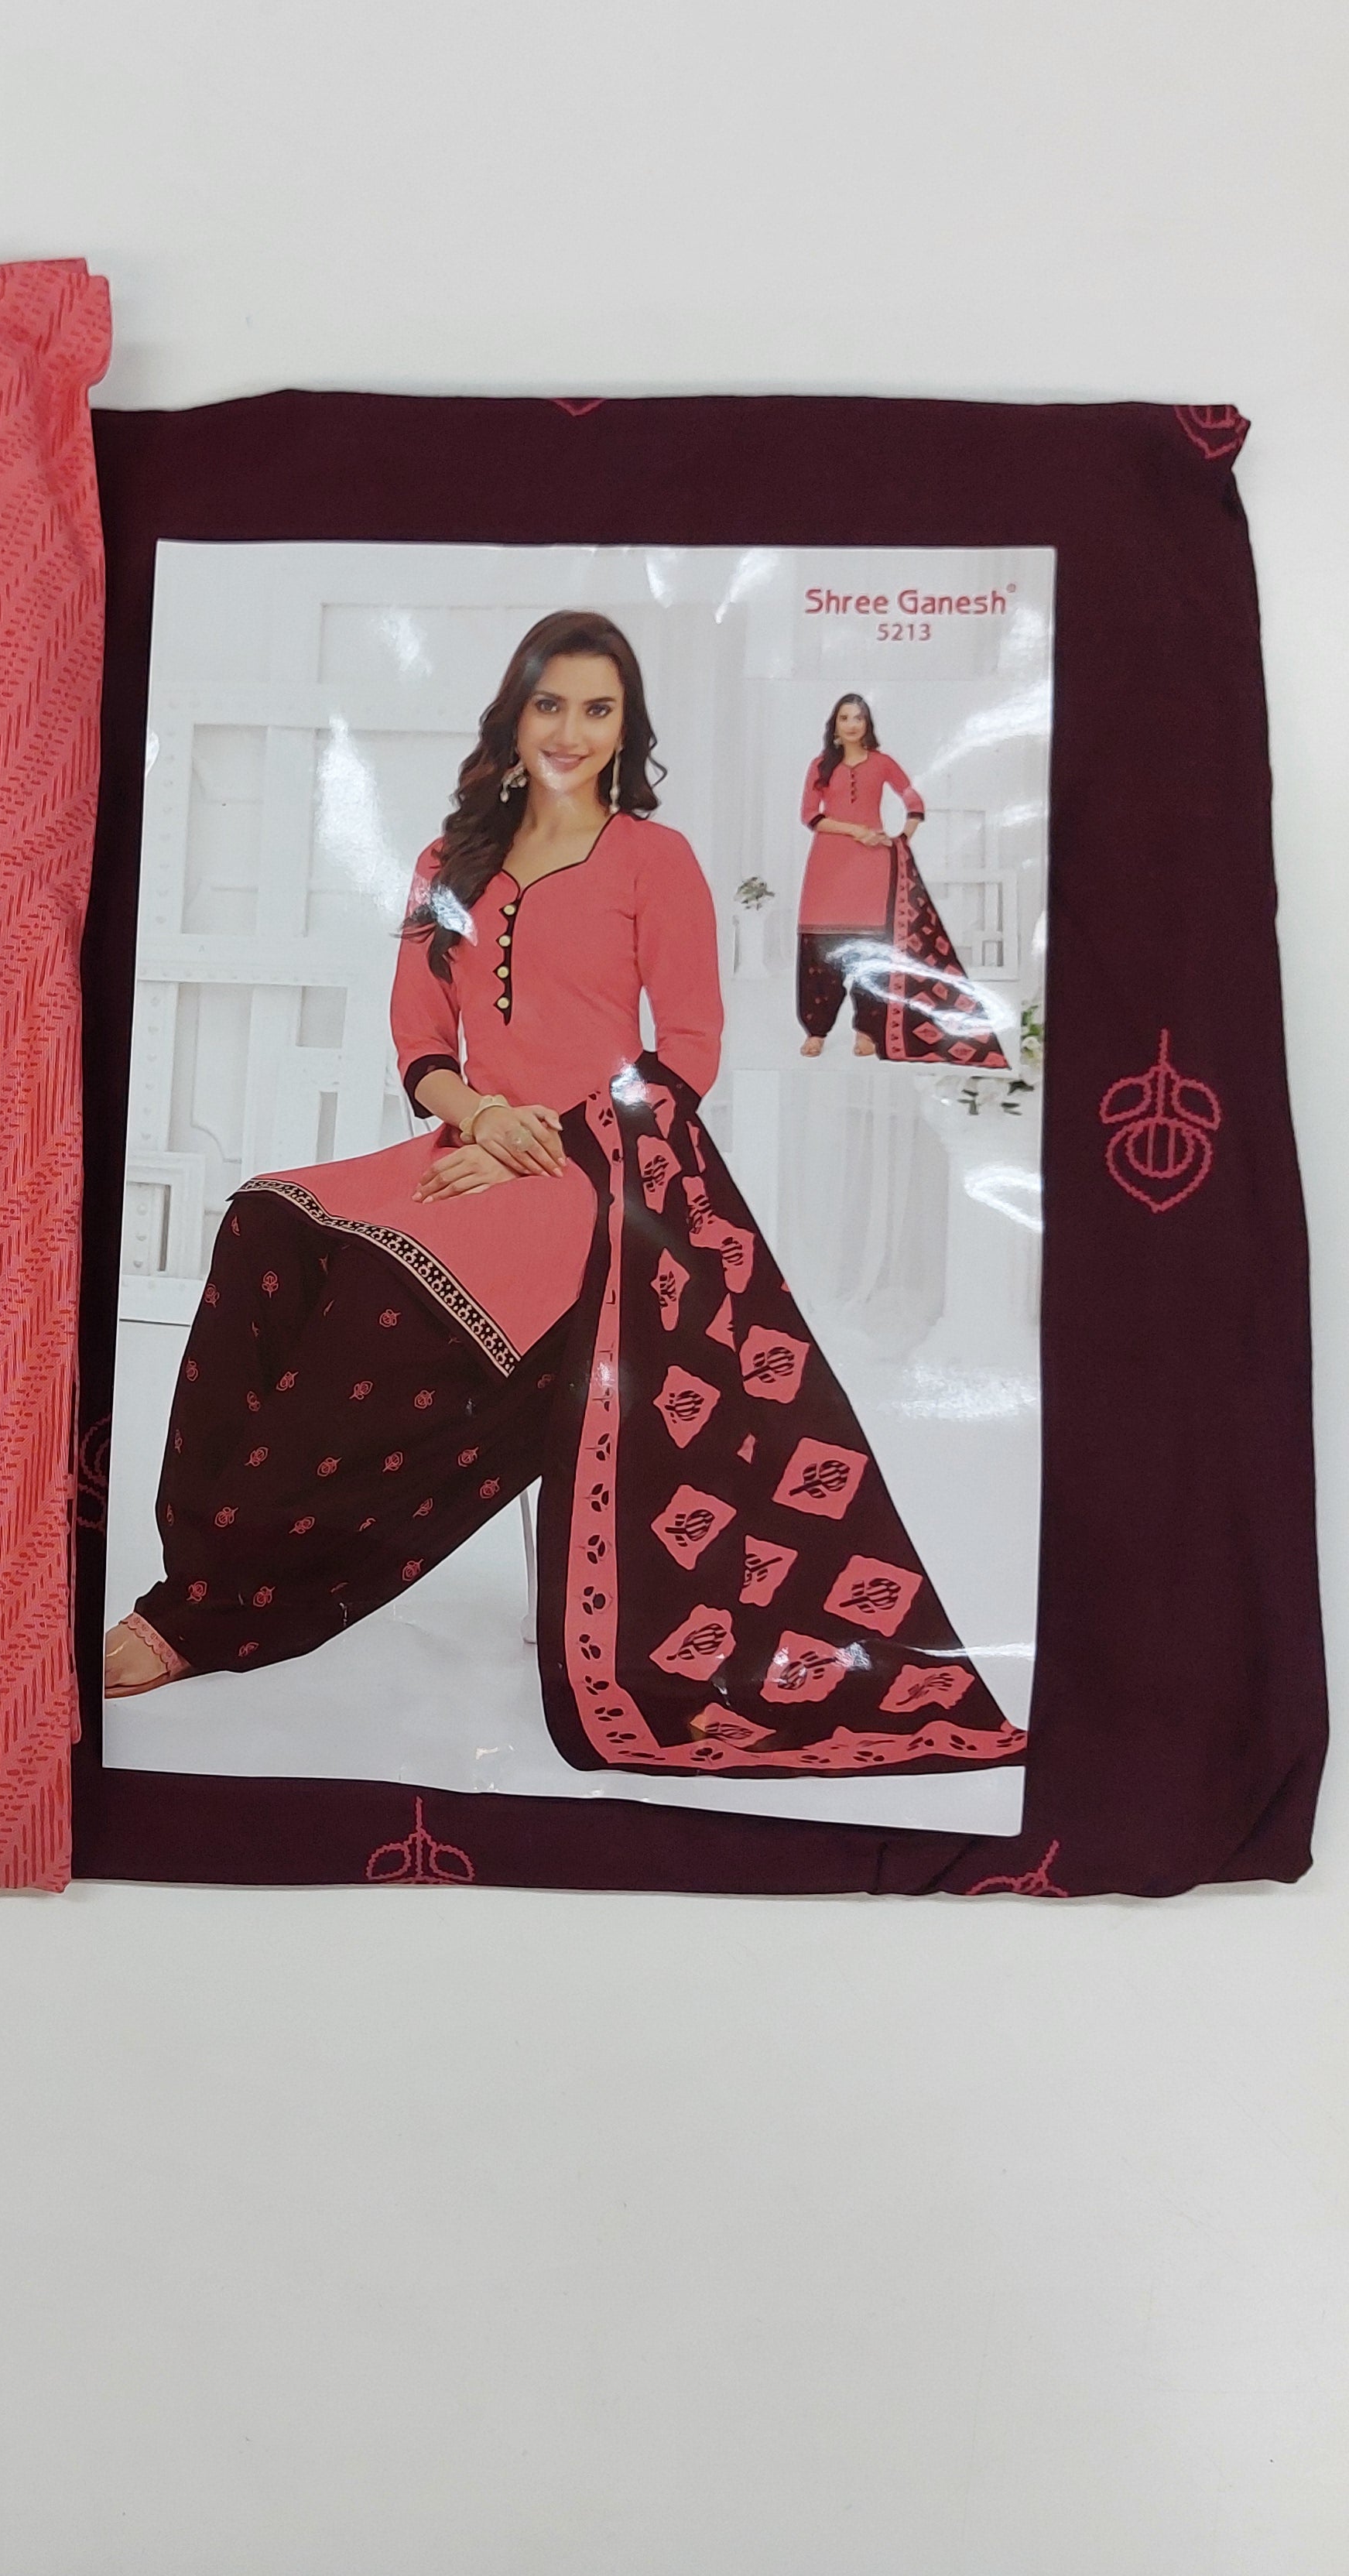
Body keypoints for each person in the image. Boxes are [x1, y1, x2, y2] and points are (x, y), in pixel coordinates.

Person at [102, 613, 1024, 1781]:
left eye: (599, 708)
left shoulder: (654, 857)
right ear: (515, 714)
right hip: (471, 1144)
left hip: (608, 1169)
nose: (572, 731)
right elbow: (418, 1034)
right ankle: (207, 1570)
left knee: (382, 1291)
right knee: (265, 1222)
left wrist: (550, 1140)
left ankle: (206, 1616)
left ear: (626, 726)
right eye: (552, 704)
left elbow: (688, 1047)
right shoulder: (447, 862)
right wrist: (484, 1120)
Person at [796, 694, 1008, 1065]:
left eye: (858, 718)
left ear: (867, 724)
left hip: (873, 866)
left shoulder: (882, 763)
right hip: (827, 866)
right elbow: (810, 816)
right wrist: (855, 831)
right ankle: (817, 1030)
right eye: (845, 718)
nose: (852, 724)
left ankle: (866, 1029)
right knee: (820, 947)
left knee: (870, 946)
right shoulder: (820, 766)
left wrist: (901, 839)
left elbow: (913, 801)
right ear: (835, 725)